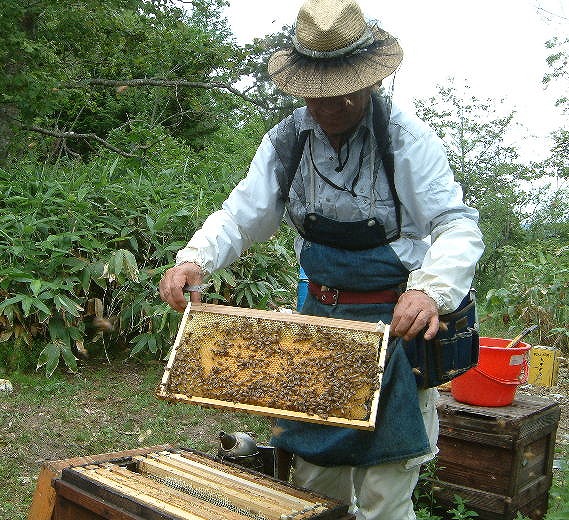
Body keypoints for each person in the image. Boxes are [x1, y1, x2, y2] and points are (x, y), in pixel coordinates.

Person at [159, 0, 484, 518]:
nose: (328, 105)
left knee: (385, 486)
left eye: (341, 94)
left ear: (368, 83)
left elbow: (456, 224)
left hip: (392, 330)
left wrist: (430, 289)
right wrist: (195, 258)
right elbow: (243, 214)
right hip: (319, 322)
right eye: (317, 94)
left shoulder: (404, 139)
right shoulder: (287, 140)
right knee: (313, 481)